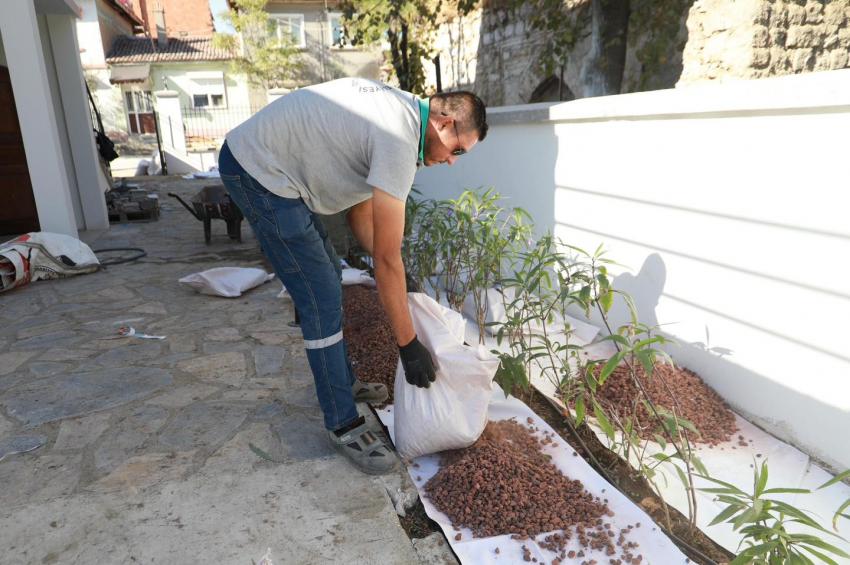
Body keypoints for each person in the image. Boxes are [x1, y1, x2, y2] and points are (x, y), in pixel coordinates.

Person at [218, 77, 488, 475]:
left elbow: (361, 215)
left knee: (327, 273)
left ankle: (341, 382)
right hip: (258, 170)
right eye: (457, 150)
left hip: (272, 169)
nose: (452, 161)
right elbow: (384, 255)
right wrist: (408, 344)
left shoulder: (403, 118)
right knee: (321, 296)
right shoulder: (399, 136)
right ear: (444, 123)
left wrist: (398, 276)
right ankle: (342, 422)